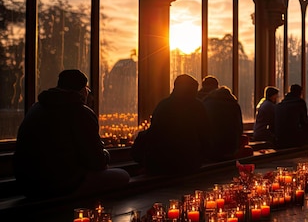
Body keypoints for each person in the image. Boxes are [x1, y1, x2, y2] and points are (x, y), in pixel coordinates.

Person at [13, 69, 130, 199]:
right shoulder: (80, 112)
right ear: (82, 90)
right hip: (61, 185)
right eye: (88, 90)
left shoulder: (36, 108)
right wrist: (105, 154)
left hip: (27, 186)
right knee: (122, 175)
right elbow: (97, 161)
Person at [132, 74, 211, 175]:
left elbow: (154, 133)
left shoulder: (164, 105)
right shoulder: (198, 107)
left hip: (161, 163)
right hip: (189, 163)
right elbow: (205, 136)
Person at [203, 84, 245, 160]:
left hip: (211, 147)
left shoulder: (207, 104)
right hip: (230, 146)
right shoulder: (234, 105)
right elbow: (240, 127)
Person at [274, 84, 308, 148]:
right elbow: (304, 121)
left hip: (280, 138)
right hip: (294, 138)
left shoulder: (281, 104)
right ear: (299, 93)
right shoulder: (299, 103)